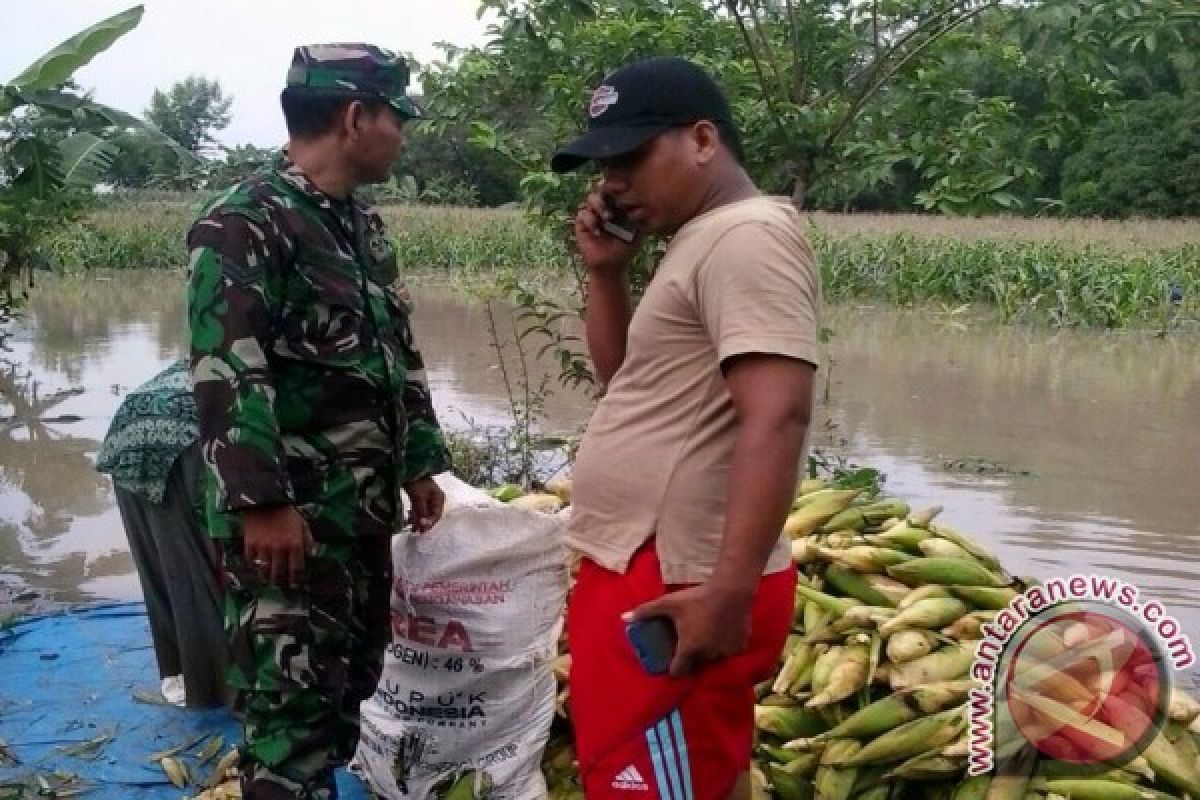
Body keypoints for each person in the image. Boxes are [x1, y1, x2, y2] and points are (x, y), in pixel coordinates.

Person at [551, 57, 821, 800]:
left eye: (631, 156)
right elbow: (627, 389)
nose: (610, 181)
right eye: (604, 163)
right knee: (674, 776)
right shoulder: (702, 237)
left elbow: (778, 411)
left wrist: (729, 589)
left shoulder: (748, 235)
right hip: (648, 565)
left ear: (702, 141)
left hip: (680, 577)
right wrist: (607, 275)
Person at [186, 43, 450, 800]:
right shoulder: (244, 220)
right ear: (355, 116)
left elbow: (394, 353)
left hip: (357, 513)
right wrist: (262, 505)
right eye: (397, 116)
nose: (403, 132)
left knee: (348, 688)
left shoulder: (358, 227)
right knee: (289, 711)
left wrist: (420, 462)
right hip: (288, 528)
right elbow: (228, 368)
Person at [95, 358, 229, 709]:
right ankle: (216, 688)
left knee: (163, 568)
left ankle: (182, 673)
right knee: (197, 567)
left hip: (128, 428)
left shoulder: (219, 347)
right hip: (184, 430)